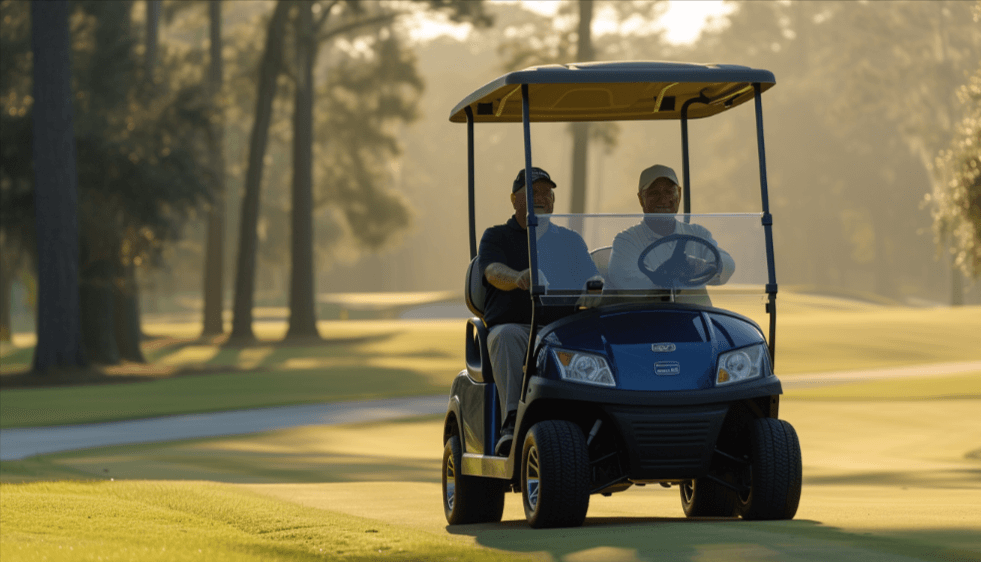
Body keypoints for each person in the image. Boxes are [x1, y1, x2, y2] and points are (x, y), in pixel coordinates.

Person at [478, 166, 598, 456]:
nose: (542, 198)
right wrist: (519, 277)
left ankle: (597, 427)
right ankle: (511, 423)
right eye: (533, 193)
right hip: (519, 330)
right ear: (514, 199)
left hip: (563, 331)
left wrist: (596, 292)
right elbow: (492, 271)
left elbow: (591, 281)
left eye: (547, 192)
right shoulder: (497, 236)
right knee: (504, 336)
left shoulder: (570, 240)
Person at [608, 164, 734, 297]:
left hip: (696, 314)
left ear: (679, 194)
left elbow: (727, 266)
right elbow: (629, 285)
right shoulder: (626, 241)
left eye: (669, 191)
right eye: (654, 193)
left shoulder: (697, 233)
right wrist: (665, 277)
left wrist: (697, 267)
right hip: (652, 315)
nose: (663, 199)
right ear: (641, 199)